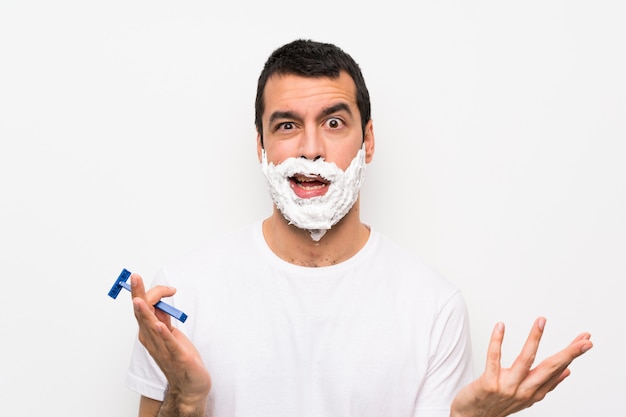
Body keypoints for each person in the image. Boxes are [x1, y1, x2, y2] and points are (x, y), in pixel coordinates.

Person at [125, 39, 593, 417]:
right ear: (261, 147)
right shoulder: (178, 299)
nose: (311, 149)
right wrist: (185, 401)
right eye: (287, 126)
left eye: (333, 122)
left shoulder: (432, 307)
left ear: (367, 141)